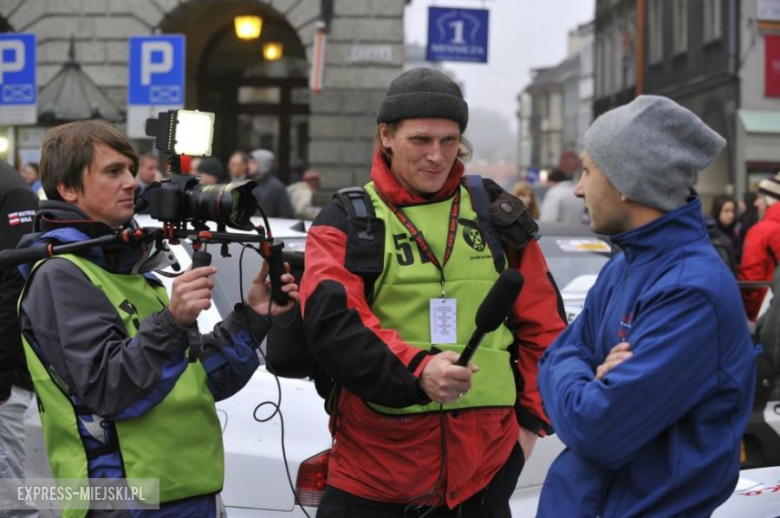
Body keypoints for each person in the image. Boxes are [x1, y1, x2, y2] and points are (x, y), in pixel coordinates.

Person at [300, 67, 566, 517]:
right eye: (421, 140)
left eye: (450, 141)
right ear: (386, 135)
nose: (437, 156)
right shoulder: (347, 219)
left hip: (485, 479)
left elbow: (547, 326)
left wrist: (528, 429)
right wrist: (418, 370)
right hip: (376, 483)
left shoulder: (496, 214)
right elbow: (334, 325)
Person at [16, 120, 299, 517]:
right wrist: (172, 320)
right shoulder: (61, 275)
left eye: (131, 170)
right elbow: (110, 389)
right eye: (113, 172)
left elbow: (195, 381)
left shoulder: (131, 267)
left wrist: (252, 317)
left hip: (188, 491)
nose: (132, 182)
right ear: (67, 187)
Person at [537, 96, 755, 516]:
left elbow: (598, 429)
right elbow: (551, 356)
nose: (578, 188)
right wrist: (587, 379)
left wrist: (578, 377)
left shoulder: (692, 293)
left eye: (587, 170)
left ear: (625, 183)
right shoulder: (620, 269)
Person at [0, 160, 39, 517]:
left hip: (6, 378)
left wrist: (2, 376)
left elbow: (16, 285)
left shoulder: (12, 190)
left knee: (8, 503)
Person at [739, 173, 780, 322]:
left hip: (766, 314)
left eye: (760, 197)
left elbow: (751, 280)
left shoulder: (760, 231)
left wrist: (749, 315)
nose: (755, 203)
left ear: (770, 200)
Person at [249, 149, 294, 219]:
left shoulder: (277, 187)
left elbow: (287, 214)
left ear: (263, 164)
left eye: (253, 162)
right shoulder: (249, 184)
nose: (249, 165)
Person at [706, 193, 739, 273]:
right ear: (717, 211)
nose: (731, 215)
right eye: (726, 211)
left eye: (733, 211)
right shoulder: (711, 233)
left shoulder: (732, 233)